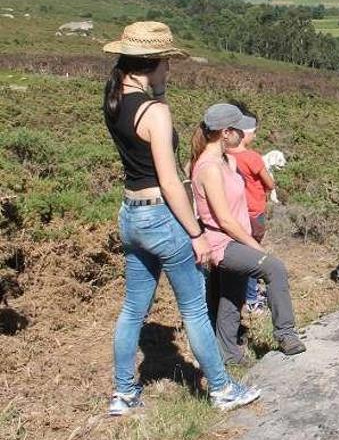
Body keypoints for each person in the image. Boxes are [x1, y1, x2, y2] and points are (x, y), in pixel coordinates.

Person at [102, 21, 259, 415]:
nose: (169, 70)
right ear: (153, 62)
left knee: (132, 309)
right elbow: (171, 181)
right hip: (161, 216)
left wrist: (159, 91)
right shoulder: (155, 111)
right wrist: (196, 233)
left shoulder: (115, 98)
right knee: (193, 309)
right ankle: (222, 389)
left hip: (130, 214)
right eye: (167, 64)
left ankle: (123, 393)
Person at [190, 103, 306, 365]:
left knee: (232, 297)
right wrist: (255, 246)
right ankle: (286, 334)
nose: (245, 133)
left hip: (233, 239)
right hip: (223, 243)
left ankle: (229, 354)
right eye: (239, 129)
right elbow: (225, 221)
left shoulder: (226, 160)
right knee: (274, 268)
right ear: (226, 133)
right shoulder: (208, 167)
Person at [225, 102, 274, 313]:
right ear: (245, 133)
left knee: (235, 254)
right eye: (253, 132)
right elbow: (269, 184)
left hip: (232, 214)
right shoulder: (252, 158)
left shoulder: (224, 155)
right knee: (253, 256)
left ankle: (236, 295)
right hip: (254, 214)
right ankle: (252, 298)